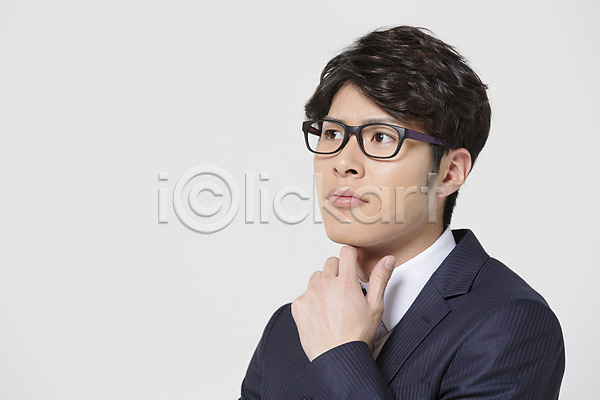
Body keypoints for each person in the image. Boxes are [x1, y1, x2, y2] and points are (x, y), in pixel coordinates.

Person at [239, 25, 565, 399]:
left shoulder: (509, 320)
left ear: (450, 172)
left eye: (381, 137)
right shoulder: (290, 325)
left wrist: (340, 355)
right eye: (332, 134)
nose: (343, 162)